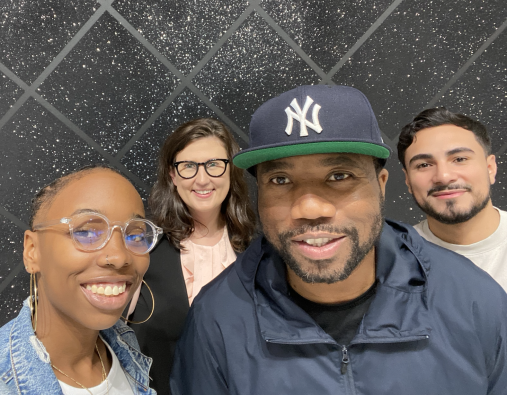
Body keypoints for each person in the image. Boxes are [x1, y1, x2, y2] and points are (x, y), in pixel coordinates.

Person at [170, 85, 507, 394]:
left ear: (382, 184)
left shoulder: (475, 302)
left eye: (339, 176)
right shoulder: (217, 318)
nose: (310, 207)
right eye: (281, 179)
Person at [0, 166, 160, 395]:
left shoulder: (119, 342)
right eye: (86, 232)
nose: (119, 256)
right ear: (32, 251)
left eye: (135, 235)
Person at [129, 118, 255, 395]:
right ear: (172, 176)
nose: (202, 179)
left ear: (231, 171)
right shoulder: (142, 248)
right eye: (188, 166)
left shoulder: (258, 253)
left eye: (213, 164)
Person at [397, 107, 507, 291]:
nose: (444, 176)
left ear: (490, 168)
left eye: (460, 159)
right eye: (424, 165)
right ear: (407, 180)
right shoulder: (391, 262)